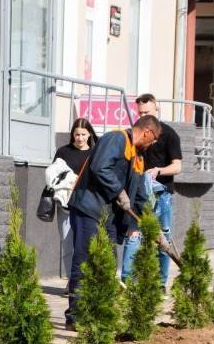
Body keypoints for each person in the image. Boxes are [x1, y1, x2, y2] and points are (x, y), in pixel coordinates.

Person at [65, 115, 162, 327]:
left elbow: (139, 196)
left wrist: (152, 225)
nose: (152, 144)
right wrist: (119, 191)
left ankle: (99, 313)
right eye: (153, 139)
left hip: (107, 217)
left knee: (107, 264)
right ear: (147, 132)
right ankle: (75, 316)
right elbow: (100, 167)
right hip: (89, 208)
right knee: (84, 260)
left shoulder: (138, 158)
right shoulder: (115, 139)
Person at [121, 94, 182, 291]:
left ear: (157, 109)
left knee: (163, 236)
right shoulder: (135, 135)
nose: (142, 115)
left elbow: (177, 167)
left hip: (162, 193)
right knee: (134, 234)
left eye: (147, 112)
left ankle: (160, 284)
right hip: (138, 193)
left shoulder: (170, 134)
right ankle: (127, 281)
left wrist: (158, 171)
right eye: (140, 113)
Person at [47, 119, 98, 278]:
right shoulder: (63, 152)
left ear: (89, 134)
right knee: (68, 245)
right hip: (65, 205)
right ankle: (73, 281)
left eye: (83, 134)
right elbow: (52, 174)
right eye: (77, 134)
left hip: (87, 206)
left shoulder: (95, 153)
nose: (80, 138)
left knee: (85, 245)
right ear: (72, 135)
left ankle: (85, 279)